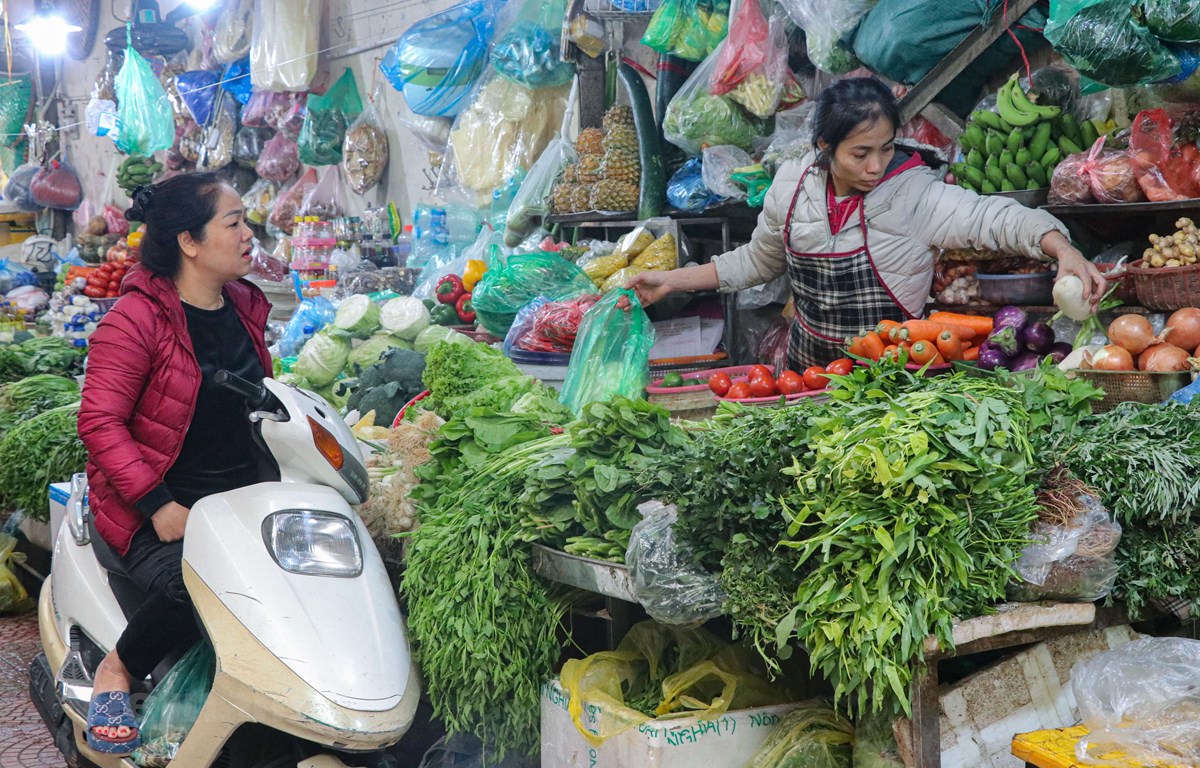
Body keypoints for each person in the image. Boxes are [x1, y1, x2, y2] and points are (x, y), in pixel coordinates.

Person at [628, 77, 1107, 369]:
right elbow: (756, 262)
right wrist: (671, 281)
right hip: (809, 376)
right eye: (860, 153)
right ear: (823, 148)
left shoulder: (914, 193)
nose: (876, 165)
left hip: (894, 381)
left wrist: (1063, 250)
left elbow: (992, 216)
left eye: (884, 148)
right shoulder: (791, 186)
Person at [76, 172, 273, 755]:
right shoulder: (136, 321)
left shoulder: (242, 307)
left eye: (245, 221)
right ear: (189, 241)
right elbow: (99, 423)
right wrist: (157, 504)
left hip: (238, 502)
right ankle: (118, 667)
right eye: (233, 223)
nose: (247, 235)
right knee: (206, 583)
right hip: (157, 513)